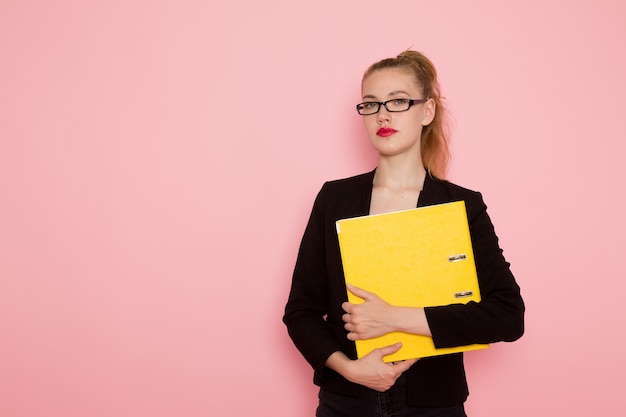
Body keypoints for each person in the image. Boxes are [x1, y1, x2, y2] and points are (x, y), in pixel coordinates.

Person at [283, 50, 525, 417]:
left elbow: (507, 316)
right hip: (345, 401)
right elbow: (300, 312)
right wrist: (349, 369)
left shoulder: (461, 204)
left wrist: (395, 317)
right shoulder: (334, 199)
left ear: (426, 111)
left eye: (398, 101)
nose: (383, 114)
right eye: (371, 104)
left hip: (433, 404)